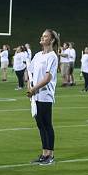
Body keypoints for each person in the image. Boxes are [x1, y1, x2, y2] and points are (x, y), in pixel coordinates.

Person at [27, 29, 60, 166]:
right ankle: (44, 154)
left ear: (51, 40)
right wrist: (29, 85)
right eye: (42, 35)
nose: (42, 37)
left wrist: (34, 89)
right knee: (40, 125)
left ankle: (50, 154)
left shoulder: (52, 56)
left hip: (45, 95)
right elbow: (30, 71)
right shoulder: (38, 55)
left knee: (47, 124)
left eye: (45, 36)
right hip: (36, 95)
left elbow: (47, 78)